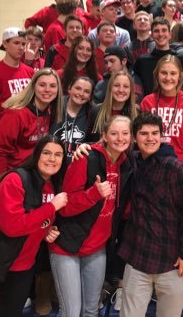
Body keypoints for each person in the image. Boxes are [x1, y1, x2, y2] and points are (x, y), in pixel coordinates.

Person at [0, 135, 68, 317]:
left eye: (58, 154)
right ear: (36, 155)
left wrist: (45, 229)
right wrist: (51, 207)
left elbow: (35, 219)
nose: (52, 159)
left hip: (22, 266)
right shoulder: (15, 180)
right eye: (47, 153)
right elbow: (12, 226)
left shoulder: (54, 185)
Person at [118, 112, 183, 317]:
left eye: (155, 133)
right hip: (138, 258)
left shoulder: (176, 167)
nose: (150, 138)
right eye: (144, 133)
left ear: (162, 135)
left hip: (172, 262)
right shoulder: (133, 160)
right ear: (135, 138)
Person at [49, 115, 133, 317]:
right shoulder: (85, 158)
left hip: (97, 247)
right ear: (104, 135)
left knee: (91, 310)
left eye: (125, 133)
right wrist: (93, 194)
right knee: (71, 312)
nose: (119, 138)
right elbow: (65, 206)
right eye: (113, 133)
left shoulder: (127, 163)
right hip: (68, 244)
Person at [0, 68, 63, 202]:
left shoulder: (48, 113)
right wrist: (2, 181)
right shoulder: (16, 113)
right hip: (1, 175)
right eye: (42, 85)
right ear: (33, 86)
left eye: (53, 86)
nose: (47, 89)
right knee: (3, 221)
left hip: (22, 174)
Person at [140, 55, 183, 162]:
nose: (168, 78)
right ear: (157, 75)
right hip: (153, 163)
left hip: (181, 164)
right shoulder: (147, 102)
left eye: (173, 73)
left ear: (180, 76)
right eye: (164, 73)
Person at [0, 27, 34, 127]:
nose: (21, 47)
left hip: (27, 129)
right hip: (8, 131)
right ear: (5, 44)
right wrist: (2, 127)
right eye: (16, 43)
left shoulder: (30, 72)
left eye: (23, 44)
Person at [134, 17, 183, 95]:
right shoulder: (142, 61)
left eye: (164, 30)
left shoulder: (181, 59)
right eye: (156, 31)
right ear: (152, 36)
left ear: (170, 35)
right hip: (150, 105)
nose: (160, 34)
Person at [50, 76, 95, 164]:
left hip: (76, 165)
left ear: (90, 96)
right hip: (51, 161)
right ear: (69, 89)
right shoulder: (55, 105)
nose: (81, 93)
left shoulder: (92, 113)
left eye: (86, 91)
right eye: (78, 88)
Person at [91, 71, 139, 143]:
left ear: (131, 90)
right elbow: (89, 141)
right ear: (110, 88)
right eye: (116, 85)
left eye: (125, 86)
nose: (121, 90)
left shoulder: (138, 112)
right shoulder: (97, 111)